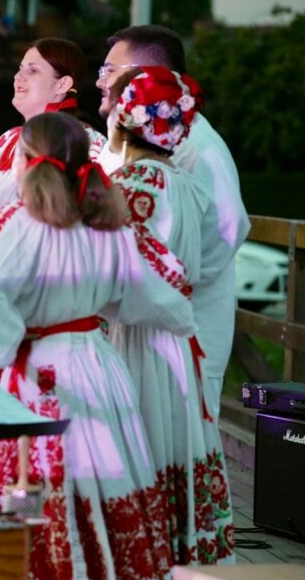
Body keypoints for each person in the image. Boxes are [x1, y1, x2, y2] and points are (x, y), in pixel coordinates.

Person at [0, 111, 197, 580]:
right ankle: (107, 578)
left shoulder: (20, 222)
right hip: (98, 366)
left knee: (34, 477)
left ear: (24, 160)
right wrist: (183, 320)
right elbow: (143, 294)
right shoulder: (106, 222)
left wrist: (5, 343)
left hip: (41, 371)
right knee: (105, 473)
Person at [105, 67, 235, 565]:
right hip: (179, 343)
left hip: (133, 337)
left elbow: (113, 277)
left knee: (142, 432)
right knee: (177, 434)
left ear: (125, 120)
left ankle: (142, 559)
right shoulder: (185, 185)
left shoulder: (123, 186)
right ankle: (181, 551)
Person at [95, 24, 250, 417]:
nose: (100, 81)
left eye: (109, 70)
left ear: (144, 74)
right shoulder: (127, 141)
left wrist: (158, 286)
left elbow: (229, 229)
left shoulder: (199, 147)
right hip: (129, 325)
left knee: (172, 448)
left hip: (181, 331)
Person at [0, 38, 106, 264]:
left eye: (33, 71)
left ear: (62, 84)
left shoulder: (84, 142)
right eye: (19, 70)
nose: (18, 77)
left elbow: (92, 220)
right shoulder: (7, 140)